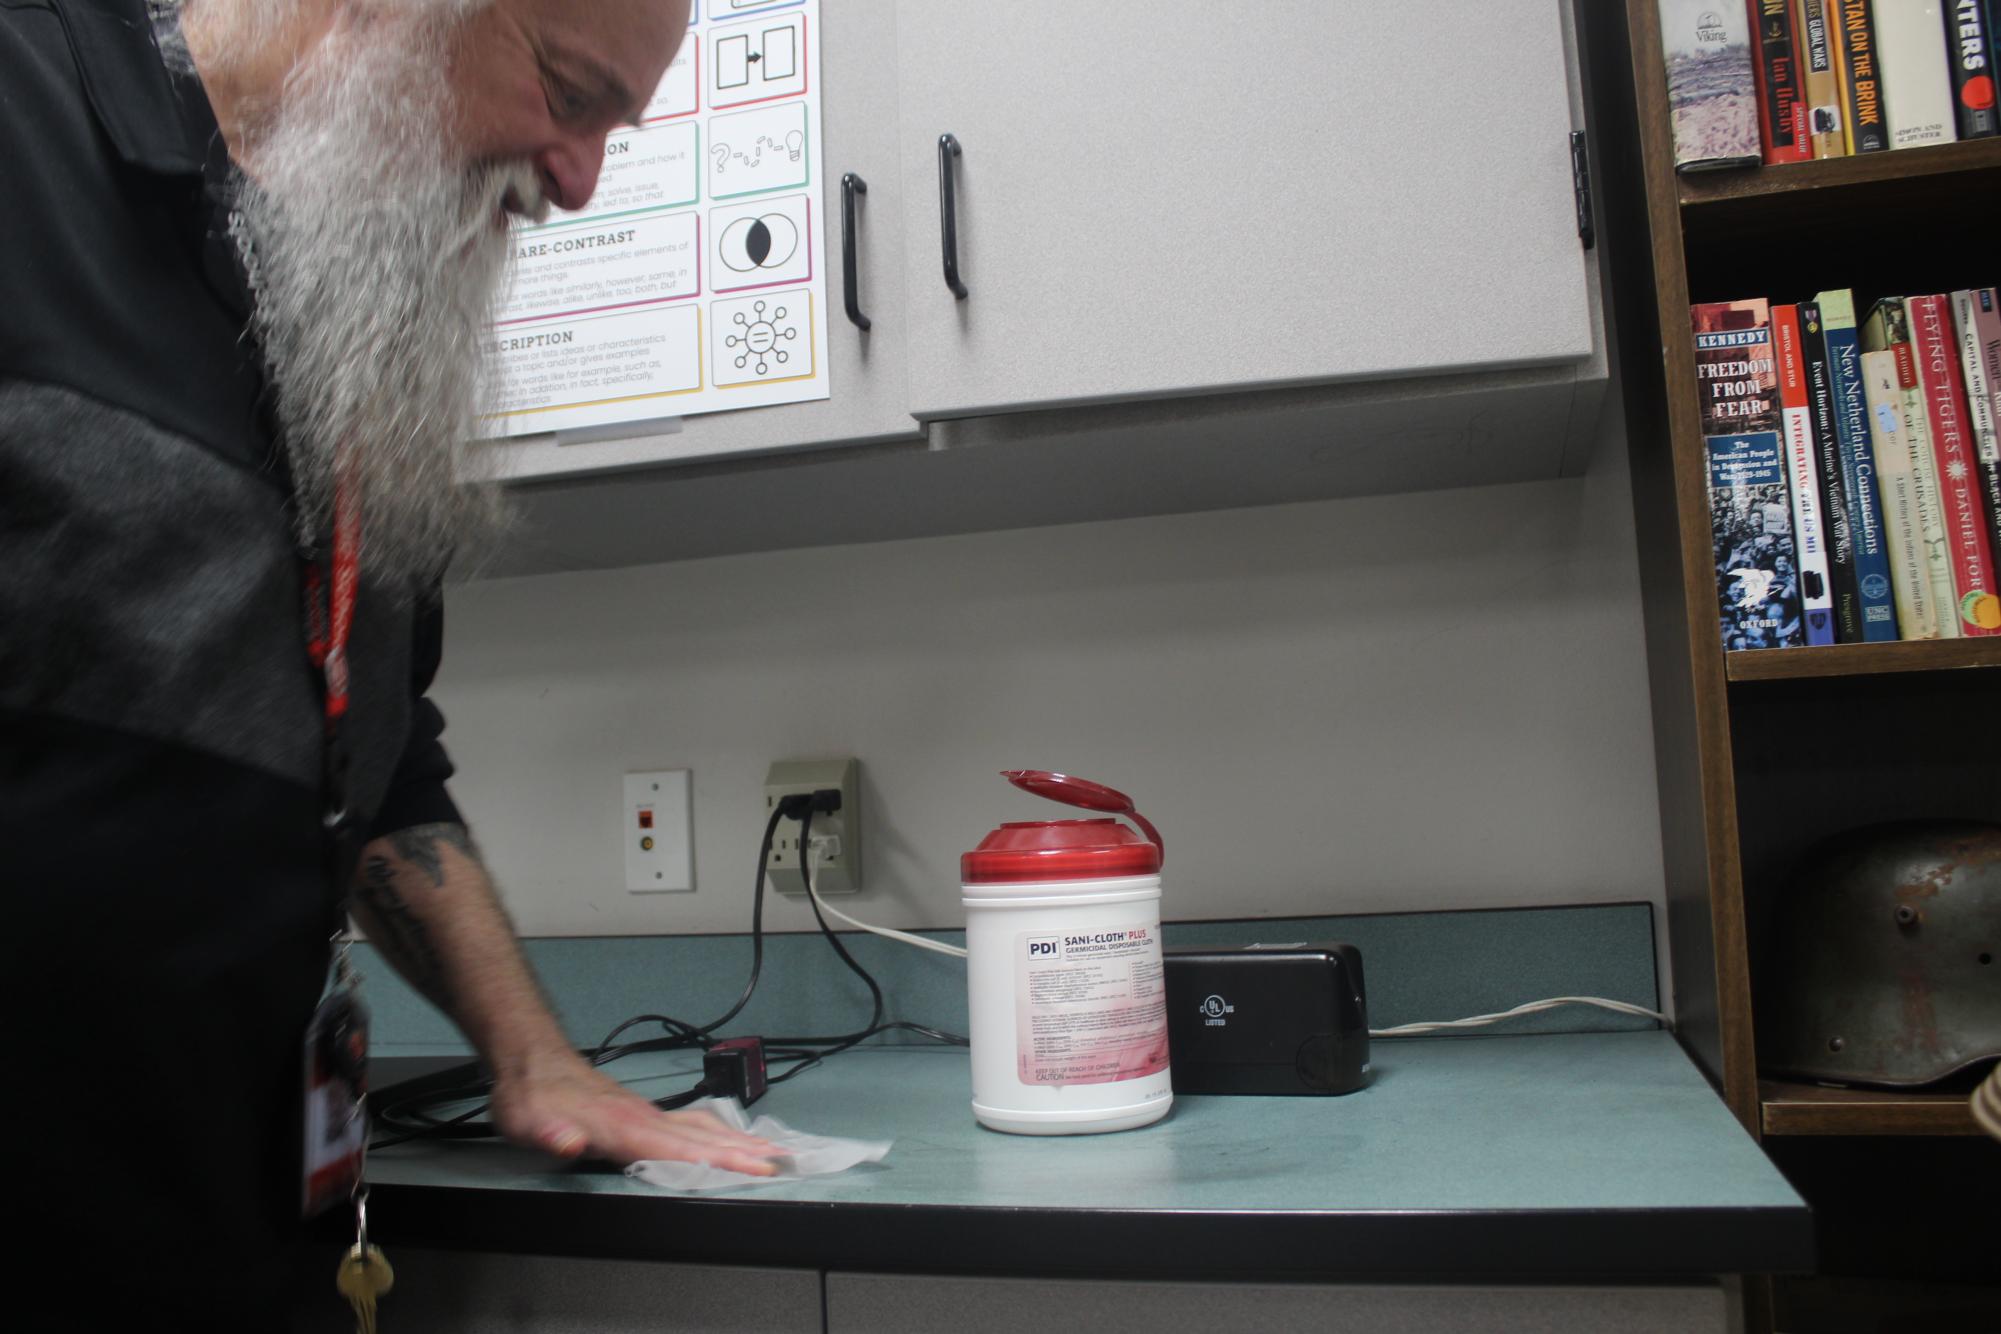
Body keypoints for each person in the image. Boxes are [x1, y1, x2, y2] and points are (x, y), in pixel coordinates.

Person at [1, 0, 775, 1322]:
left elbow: (372, 761)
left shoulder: (345, 269)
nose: (582, 179)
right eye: (569, 93)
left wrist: (536, 1058)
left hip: (240, 1239)